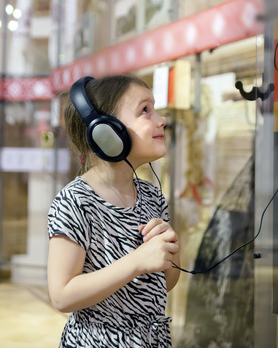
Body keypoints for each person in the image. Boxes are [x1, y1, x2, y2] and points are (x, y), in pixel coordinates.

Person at [47, 74, 180, 348]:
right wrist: (137, 261)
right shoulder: (76, 201)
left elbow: (164, 284)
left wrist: (171, 250)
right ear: (107, 130)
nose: (161, 119)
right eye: (145, 110)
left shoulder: (152, 195)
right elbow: (61, 295)